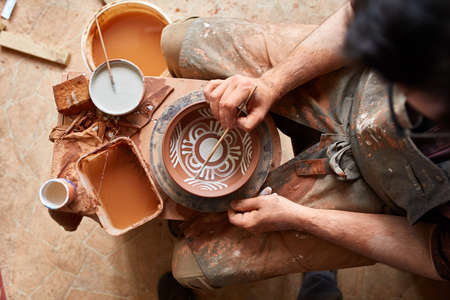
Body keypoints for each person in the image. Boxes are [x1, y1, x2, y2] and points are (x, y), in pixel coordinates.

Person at [160, 0, 450, 289]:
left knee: (191, 267)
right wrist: (273, 82)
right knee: (179, 43)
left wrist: (300, 218)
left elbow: (431, 250)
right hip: (352, 84)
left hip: (381, 192)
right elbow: (353, 17)